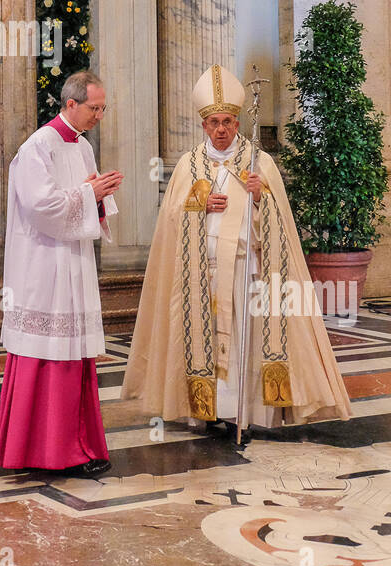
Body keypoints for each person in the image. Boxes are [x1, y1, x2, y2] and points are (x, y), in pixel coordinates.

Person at [122, 64, 351, 432]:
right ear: (203, 126)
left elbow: (283, 225)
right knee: (204, 341)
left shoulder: (259, 163)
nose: (221, 130)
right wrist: (197, 205)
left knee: (246, 345)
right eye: (213, 122)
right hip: (204, 275)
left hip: (248, 270)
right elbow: (169, 226)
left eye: (228, 121)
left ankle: (244, 413)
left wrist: (263, 198)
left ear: (237, 122)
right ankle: (206, 410)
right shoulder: (188, 165)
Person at [0, 70, 123, 477]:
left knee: (75, 355)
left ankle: (78, 445)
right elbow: (41, 208)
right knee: (46, 354)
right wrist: (90, 194)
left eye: (103, 108)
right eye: (94, 108)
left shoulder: (82, 146)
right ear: (71, 104)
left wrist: (96, 194)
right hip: (44, 266)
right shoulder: (37, 147)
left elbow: (82, 199)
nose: (99, 115)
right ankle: (46, 451)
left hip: (73, 263)